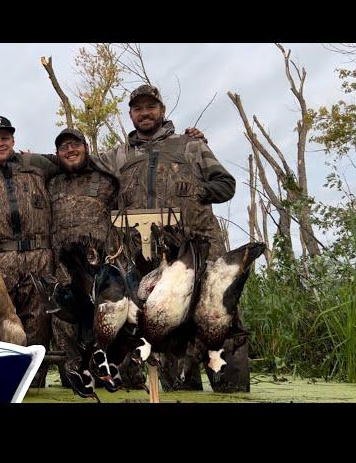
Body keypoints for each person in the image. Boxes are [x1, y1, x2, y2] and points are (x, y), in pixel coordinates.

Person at [97, 84, 247, 392]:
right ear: (131, 115)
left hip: (199, 244)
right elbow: (75, 159)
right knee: (163, 322)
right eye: (138, 108)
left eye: (150, 107)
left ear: (162, 111)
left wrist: (195, 192)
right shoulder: (120, 155)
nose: (145, 113)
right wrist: (22, 160)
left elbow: (225, 184)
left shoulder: (189, 146)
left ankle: (230, 387)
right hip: (155, 257)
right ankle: (182, 388)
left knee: (218, 313)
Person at [0, 116, 59, 387]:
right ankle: (5, 382)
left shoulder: (36, 164)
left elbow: (70, 160)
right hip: (0, 258)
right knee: (2, 321)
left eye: (5, 138)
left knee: (40, 322)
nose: (0, 143)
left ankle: (36, 384)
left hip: (40, 255)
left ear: (13, 140)